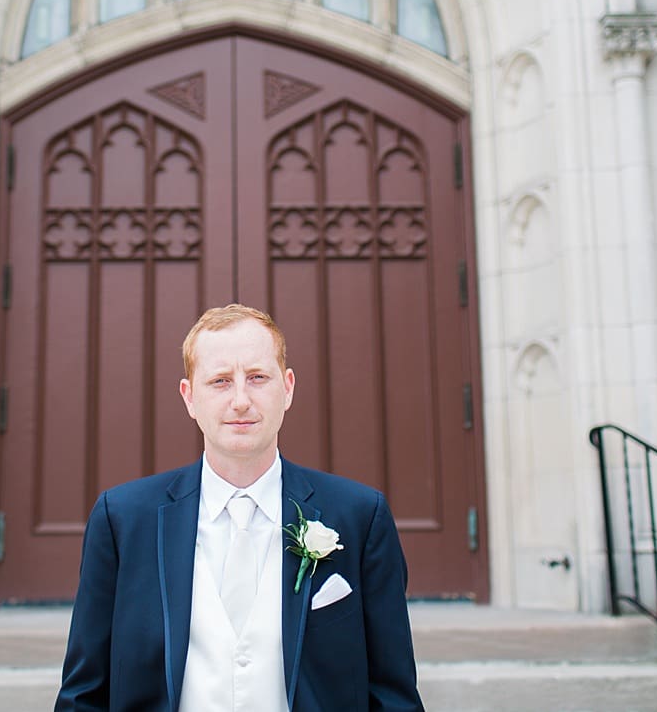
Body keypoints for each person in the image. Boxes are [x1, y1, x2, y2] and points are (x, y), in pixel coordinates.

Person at [56, 303, 425, 711]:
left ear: (287, 388)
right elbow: (83, 694)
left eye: (257, 378)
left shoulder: (360, 515)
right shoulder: (122, 519)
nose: (240, 400)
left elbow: (393, 694)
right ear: (189, 396)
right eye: (219, 381)